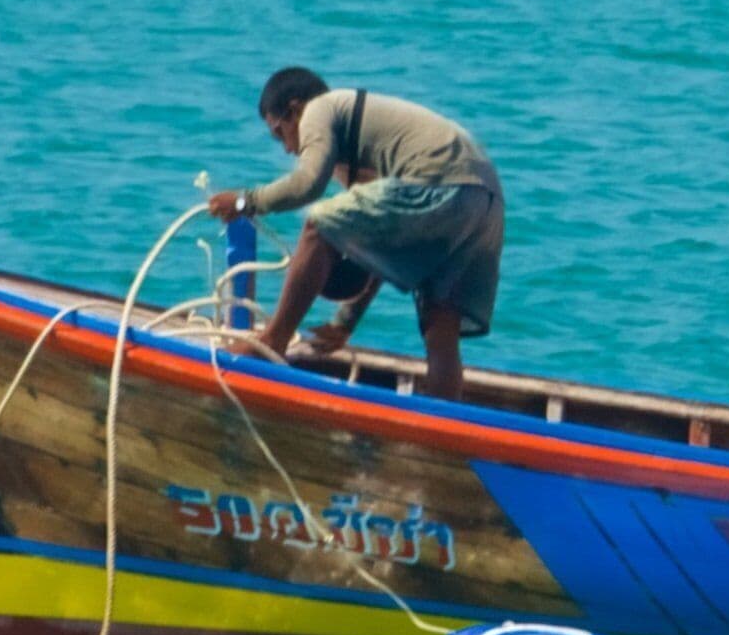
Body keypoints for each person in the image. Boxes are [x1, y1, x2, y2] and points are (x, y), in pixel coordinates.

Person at [204, 68, 504, 405]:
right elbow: (380, 248)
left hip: (442, 180)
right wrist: (345, 324)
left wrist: (246, 201)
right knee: (441, 325)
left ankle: (273, 339)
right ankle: (442, 426)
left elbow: (308, 185)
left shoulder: (321, 108)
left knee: (319, 224)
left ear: (295, 110)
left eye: (280, 134)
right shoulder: (366, 160)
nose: (287, 149)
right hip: (486, 201)